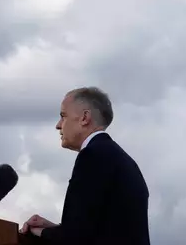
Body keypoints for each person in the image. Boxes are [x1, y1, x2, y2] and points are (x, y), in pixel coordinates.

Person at [20, 87, 150, 245]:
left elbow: (75, 237)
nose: (58, 125)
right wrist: (54, 228)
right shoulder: (124, 161)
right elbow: (98, 230)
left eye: (63, 116)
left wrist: (38, 232)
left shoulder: (92, 156)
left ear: (84, 118)